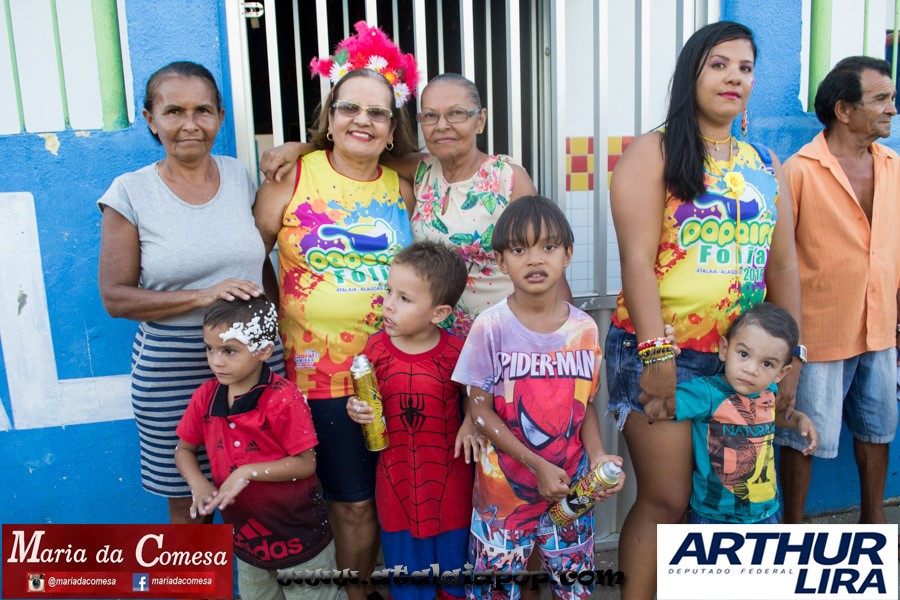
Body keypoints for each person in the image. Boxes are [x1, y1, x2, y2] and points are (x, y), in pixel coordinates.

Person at [605, 21, 801, 600]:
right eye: (719, 64)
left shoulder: (766, 163)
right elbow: (636, 261)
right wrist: (655, 355)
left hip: (746, 361)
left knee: (725, 497)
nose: (733, 77)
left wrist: (794, 359)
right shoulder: (654, 151)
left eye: (745, 67)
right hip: (664, 353)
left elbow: (784, 267)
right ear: (692, 73)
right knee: (667, 499)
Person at [252, 22, 418, 600]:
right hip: (321, 379)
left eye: (377, 112)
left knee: (399, 497)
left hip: (401, 370)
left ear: (392, 127)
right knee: (352, 503)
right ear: (329, 116)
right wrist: (277, 312)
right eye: (349, 108)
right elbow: (250, 258)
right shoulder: (292, 177)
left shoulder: (403, 187)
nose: (362, 121)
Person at [98, 61, 284, 524]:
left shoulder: (238, 175)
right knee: (191, 504)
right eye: (173, 111)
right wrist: (204, 296)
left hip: (257, 360)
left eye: (202, 110)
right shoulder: (130, 192)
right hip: (174, 370)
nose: (190, 124)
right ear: (150, 119)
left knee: (265, 488)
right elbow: (115, 297)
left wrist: (275, 326)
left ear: (220, 116)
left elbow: (259, 259)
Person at [260, 72, 543, 339]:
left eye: (456, 113)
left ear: (480, 120)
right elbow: (358, 147)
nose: (442, 125)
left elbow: (545, 262)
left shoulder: (506, 179)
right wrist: (300, 148)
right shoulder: (421, 173)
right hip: (430, 346)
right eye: (430, 116)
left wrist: (560, 339)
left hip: (500, 340)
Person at [452, 195, 625, 600]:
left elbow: (585, 406)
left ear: (568, 255)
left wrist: (597, 456)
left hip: (571, 493)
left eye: (548, 247)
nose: (534, 259)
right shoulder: (490, 327)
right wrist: (537, 465)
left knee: (574, 590)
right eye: (519, 249)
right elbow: (480, 412)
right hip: (502, 500)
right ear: (501, 261)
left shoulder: (584, 329)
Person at [775, 56, 899, 525]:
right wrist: (787, 343)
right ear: (844, 109)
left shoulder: (893, 166)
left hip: (879, 327)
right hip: (818, 333)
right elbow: (779, 259)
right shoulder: (800, 170)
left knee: (878, 428)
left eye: (892, 98)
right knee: (803, 436)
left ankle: (874, 521)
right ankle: (793, 527)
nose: (892, 108)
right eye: (881, 99)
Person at [175, 296, 342, 600]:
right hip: (247, 545)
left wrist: (246, 472)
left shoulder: (283, 398)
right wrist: (198, 483)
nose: (216, 361)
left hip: (300, 540)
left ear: (264, 350)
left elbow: (305, 463)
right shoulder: (206, 396)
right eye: (209, 349)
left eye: (229, 351)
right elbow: (183, 450)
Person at [346, 241, 473, 600]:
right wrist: (355, 409)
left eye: (404, 298)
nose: (388, 304)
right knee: (407, 583)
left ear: (439, 313)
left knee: (453, 578)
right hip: (396, 488)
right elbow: (364, 400)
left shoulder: (457, 352)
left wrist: (470, 421)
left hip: (451, 489)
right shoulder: (375, 350)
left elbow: (475, 399)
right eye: (389, 291)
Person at [673, 303, 818, 524]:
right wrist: (664, 356)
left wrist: (799, 420)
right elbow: (663, 407)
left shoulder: (769, 391)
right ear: (724, 349)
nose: (751, 369)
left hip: (766, 512)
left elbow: (770, 417)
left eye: (767, 364)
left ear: (781, 373)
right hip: (714, 516)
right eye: (743, 354)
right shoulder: (706, 393)